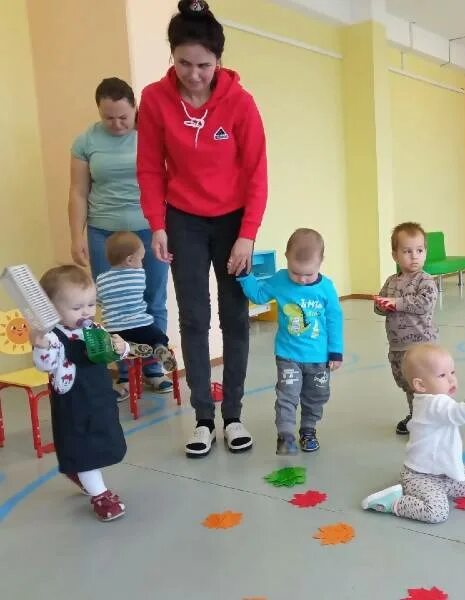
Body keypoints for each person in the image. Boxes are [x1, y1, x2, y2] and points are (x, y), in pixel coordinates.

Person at [137, 0, 268, 457]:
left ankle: (232, 416)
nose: (194, 74)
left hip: (233, 222)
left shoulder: (240, 103)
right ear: (172, 57)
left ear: (219, 61)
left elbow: (257, 172)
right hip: (183, 220)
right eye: (184, 63)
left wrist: (248, 233)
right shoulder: (155, 100)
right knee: (194, 317)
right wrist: (157, 224)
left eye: (204, 65)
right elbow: (150, 168)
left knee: (234, 317)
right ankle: (202, 417)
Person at [69, 77, 172, 399]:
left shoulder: (151, 135)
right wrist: (77, 235)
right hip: (103, 232)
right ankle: (124, 373)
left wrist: (168, 229)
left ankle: (154, 368)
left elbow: (170, 180)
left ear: (135, 109)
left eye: (123, 117)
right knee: (114, 306)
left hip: (147, 230)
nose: (116, 123)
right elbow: (78, 191)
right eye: (108, 117)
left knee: (153, 299)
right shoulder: (86, 141)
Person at [361, 344, 465, 523]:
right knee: (436, 513)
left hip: (440, 473)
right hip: (420, 475)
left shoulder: (433, 400)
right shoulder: (434, 404)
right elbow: (460, 413)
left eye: (452, 373)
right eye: (442, 375)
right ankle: (395, 502)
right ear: (420, 385)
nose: (451, 380)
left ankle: (434, 491)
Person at [31, 266, 129, 522]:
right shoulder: (53, 337)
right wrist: (40, 345)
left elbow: (110, 350)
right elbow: (46, 363)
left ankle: (78, 470)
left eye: (91, 304)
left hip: (98, 397)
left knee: (102, 440)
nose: (85, 312)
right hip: (73, 402)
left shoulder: (94, 327)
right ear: (51, 311)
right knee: (83, 446)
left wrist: (121, 347)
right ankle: (100, 495)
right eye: (76, 308)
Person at [237, 229, 343, 455]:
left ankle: (308, 429)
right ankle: (285, 435)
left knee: (317, 396)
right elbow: (259, 295)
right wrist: (245, 277)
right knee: (287, 394)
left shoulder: (326, 288)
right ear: (286, 257)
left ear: (321, 262)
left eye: (309, 274)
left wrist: (335, 352)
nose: (302, 279)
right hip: (288, 355)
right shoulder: (280, 280)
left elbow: (335, 319)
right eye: (296, 273)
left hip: (318, 357)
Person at [374, 222, 439, 435]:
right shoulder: (392, 281)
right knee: (407, 384)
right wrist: (380, 304)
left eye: (419, 251)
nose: (414, 256)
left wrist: (396, 303)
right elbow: (381, 306)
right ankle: (416, 415)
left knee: (424, 384)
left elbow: (425, 304)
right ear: (395, 256)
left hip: (421, 345)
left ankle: (431, 417)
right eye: (407, 251)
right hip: (398, 345)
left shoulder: (426, 280)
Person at [96, 232, 178, 374]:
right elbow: (146, 295)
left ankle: (128, 347)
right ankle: (159, 348)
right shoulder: (139, 275)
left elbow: (99, 301)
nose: (141, 263)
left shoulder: (100, 280)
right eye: (140, 259)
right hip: (141, 327)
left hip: (114, 332)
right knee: (159, 337)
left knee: (115, 346)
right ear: (129, 260)